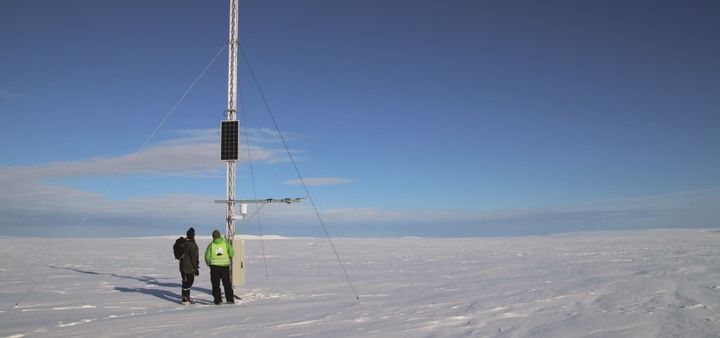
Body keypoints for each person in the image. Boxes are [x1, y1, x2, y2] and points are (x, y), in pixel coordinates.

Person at [205, 229, 235, 304]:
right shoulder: (226, 244)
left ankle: (218, 300)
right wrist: (228, 257)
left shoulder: (211, 245)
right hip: (224, 267)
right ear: (219, 235)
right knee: (227, 284)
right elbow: (231, 253)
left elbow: (207, 256)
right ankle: (230, 299)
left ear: (213, 237)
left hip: (214, 267)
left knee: (215, 284)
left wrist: (209, 264)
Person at [180, 227, 199, 304]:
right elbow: (194, 258)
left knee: (185, 281)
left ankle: (185, 297)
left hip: (182, 266)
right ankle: (185, 298)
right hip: (189, 267)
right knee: (189, 281)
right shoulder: (192, 245)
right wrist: (196, 268)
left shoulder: (183, 243)